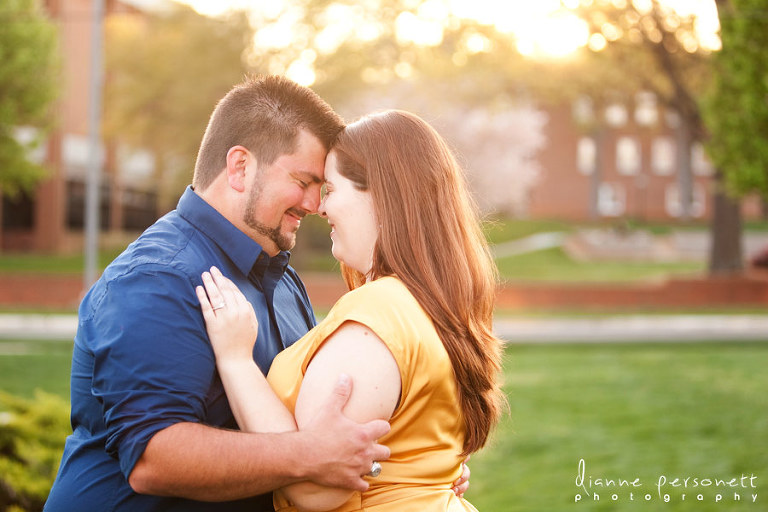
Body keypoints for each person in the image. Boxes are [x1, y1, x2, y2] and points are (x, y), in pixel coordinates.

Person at [44, 75, 394, 511]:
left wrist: (417, 472)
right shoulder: (157, 277)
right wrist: (308, 455)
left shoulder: (284, 282)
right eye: (303, 181)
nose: (314, 204)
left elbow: (316, 426)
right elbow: (154, 458)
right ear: (240, 167)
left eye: (321, 188)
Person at [197, 109, 506, 511]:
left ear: (381, 196)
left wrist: (236, 361)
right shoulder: (430, 305)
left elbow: (315, 489)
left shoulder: (378, 314)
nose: (320, 208)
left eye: (331, 189)